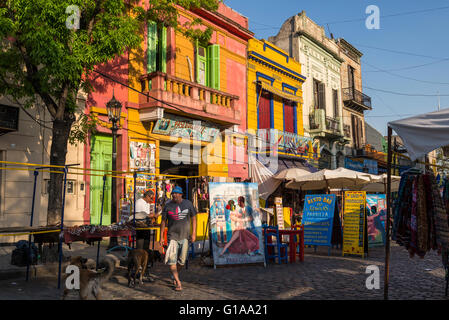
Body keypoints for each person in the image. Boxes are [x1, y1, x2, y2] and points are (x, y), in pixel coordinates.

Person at [159, 186, 197, 291]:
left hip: (185, 236)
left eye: (176, 193)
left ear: (181, 194)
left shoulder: (188, 204)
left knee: (182, 262)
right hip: (172, 237)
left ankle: (174, 275)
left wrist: (193, 233)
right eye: (173, 194)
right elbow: (163, 222)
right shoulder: (167, 206)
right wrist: (161, 237)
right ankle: (178, 282)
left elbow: (194, 218)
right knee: (172, 261)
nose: (174, 195)